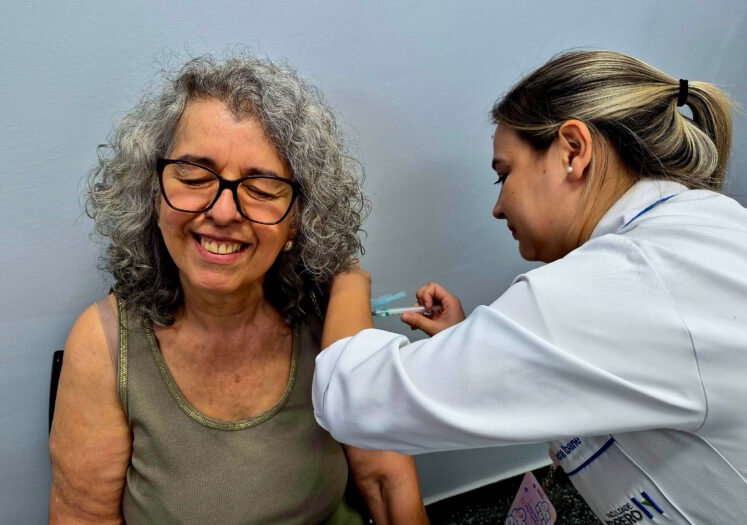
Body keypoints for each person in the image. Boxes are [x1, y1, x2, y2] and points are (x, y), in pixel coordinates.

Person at [314, 50, 747, 523]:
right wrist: (468, 345)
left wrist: (347, 277)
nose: (498, 207)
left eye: (504, 175)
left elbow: (350, 396)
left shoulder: (624, 281)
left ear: (573, 151)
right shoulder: (701, 231)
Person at [49, 55, 429, 524]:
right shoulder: (103, 343)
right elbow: (83, 517)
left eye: (262, 188)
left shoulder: (330, 315)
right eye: (193, 176)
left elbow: (386, 482)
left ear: (297, 218)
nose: (223, 212)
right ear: (153, 193)